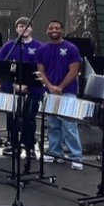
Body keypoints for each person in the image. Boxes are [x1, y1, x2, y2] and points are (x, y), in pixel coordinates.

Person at [36, 20, 84, 170]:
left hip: (67, 92)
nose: (54, 30)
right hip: (49, 92)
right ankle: (55, 152)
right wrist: (50, 87)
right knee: (53, 124)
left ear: (62, 31)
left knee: (69, 125)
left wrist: (61, 87)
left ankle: (76, 156)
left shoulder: (71, 48)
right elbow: (40, 71)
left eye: (57, 28)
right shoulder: (42, 50)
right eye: (51, 28)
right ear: (47, 30)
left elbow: (74, 71)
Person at [0, 17, 44, 157]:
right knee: (12, 117)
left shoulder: (39, 47)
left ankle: (29, 147)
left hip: (33, 88)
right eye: (21, 26)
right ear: (16, 29)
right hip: (11, 87)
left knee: (29, 118)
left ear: (31, 28)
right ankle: (13, 145)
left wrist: (27, 85)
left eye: (27, 26)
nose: (24, 29)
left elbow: (41, 68)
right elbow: (2, 66)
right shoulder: (9, 46)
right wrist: (13, 84)